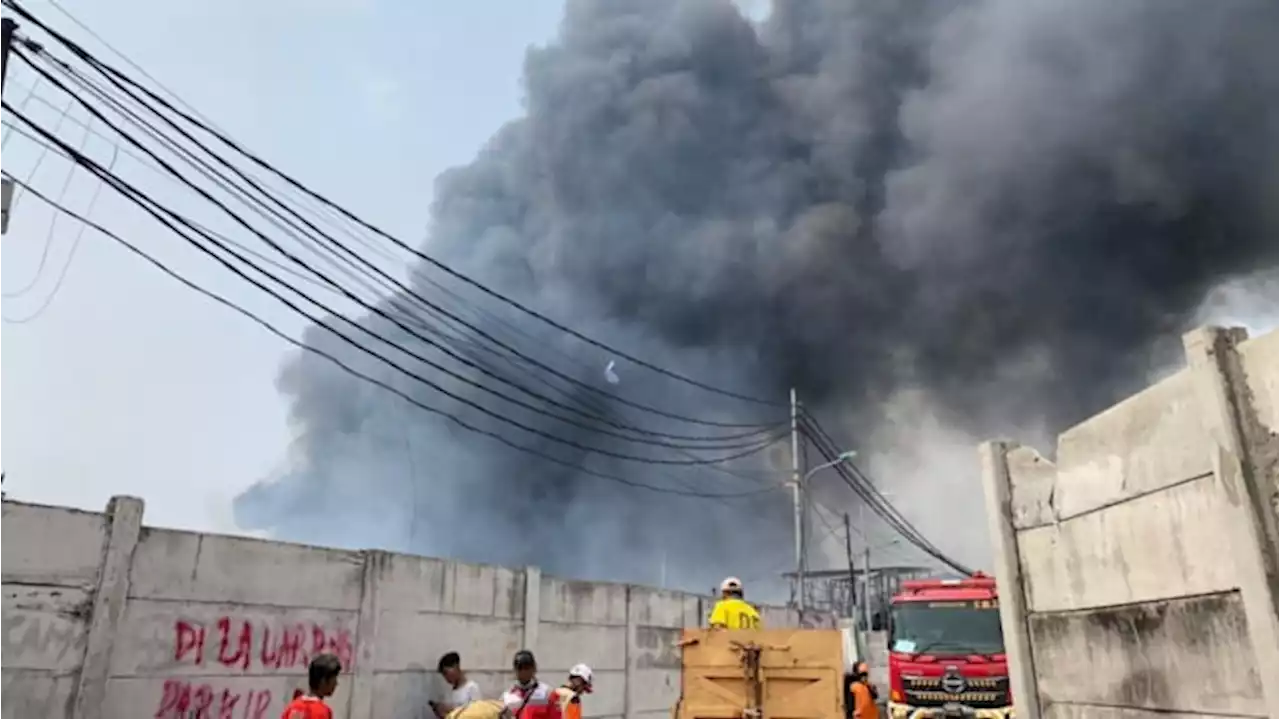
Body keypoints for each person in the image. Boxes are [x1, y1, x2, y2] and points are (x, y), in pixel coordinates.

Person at [501, 650, 561, 719]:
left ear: (534, 668)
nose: (523, 672)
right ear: (514, 670)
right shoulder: (507, 695)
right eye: (520, 668)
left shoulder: (547, 693)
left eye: (526, 668)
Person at [281, 653, 342, 719]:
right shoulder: (323, 712)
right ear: (323, 681)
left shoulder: (291, 708)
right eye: (334, 679)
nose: (336, 683)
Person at [433, 651, 483, 719]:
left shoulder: (472, 688)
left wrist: (452, 709)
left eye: (446, 673)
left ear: (456, 667)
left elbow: (478, 714)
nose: (446, 678)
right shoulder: (449, 693)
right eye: (443, 675)